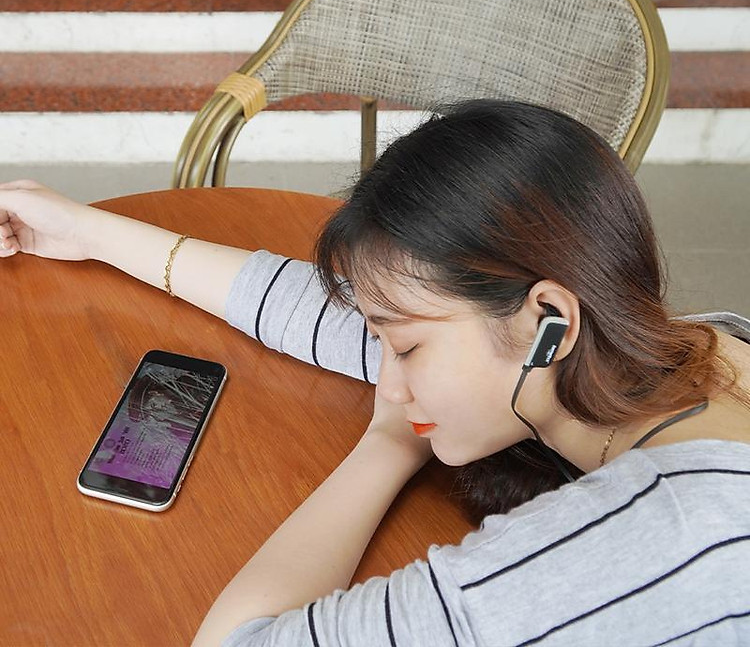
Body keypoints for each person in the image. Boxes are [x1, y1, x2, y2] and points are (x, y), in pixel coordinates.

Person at [1, 100, 749, 646]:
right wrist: (87, 230)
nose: (391, 382)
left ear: (546, 318)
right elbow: (333, 313)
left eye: (409, 350)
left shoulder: (669, 538)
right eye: (384, 342)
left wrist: (389, 442)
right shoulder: (693, 352)